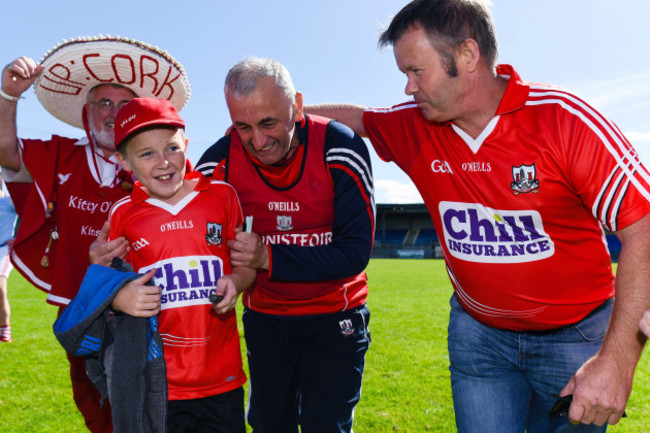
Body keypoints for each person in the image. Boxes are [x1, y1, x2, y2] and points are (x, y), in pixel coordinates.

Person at [305, 0, 650, 432]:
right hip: (479, 337)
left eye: (416, 71)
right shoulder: (415, 125)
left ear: (468, 56)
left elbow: (645, 229)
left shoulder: (564, 119)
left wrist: (616, 362)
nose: (408, 89)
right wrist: (274, 118)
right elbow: (355, 119)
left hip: (576, 339)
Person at [0, 36, 190, 432]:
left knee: (160, 404)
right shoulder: (63, 153)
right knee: (97, 405)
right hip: (83, 303)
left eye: (124, 105)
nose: (113, 113)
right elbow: (6, 154)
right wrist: (7, 95)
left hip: (154, 304)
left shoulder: (157, 160)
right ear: (88, 113)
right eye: (103, 103)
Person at [194, 57, 375, 433]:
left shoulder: (339, 148)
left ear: (297, 106)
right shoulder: (217, 164)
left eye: (268, 123)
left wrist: (267, 256)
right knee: (269, 425)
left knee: (327, 426)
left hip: (335, 315)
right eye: (243, 126)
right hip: (267, 319)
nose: (258, 142)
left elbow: (354, 253)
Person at [100, 97, 254, 432]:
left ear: (186, 143)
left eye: (171, 148)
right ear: (125, 162)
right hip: (158, 380)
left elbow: (246, 267)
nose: (163, 162)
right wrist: (119, 296)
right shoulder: (123, 214)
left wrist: (237, 281)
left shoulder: (223, 196)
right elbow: (105, 284)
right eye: (146, 153)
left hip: (221, 377)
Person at [0, 175, 18, 343]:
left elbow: (30, 215)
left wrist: (18, 238)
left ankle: (5, 329)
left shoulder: (8, 200)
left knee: (0, 287)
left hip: (2, 251)